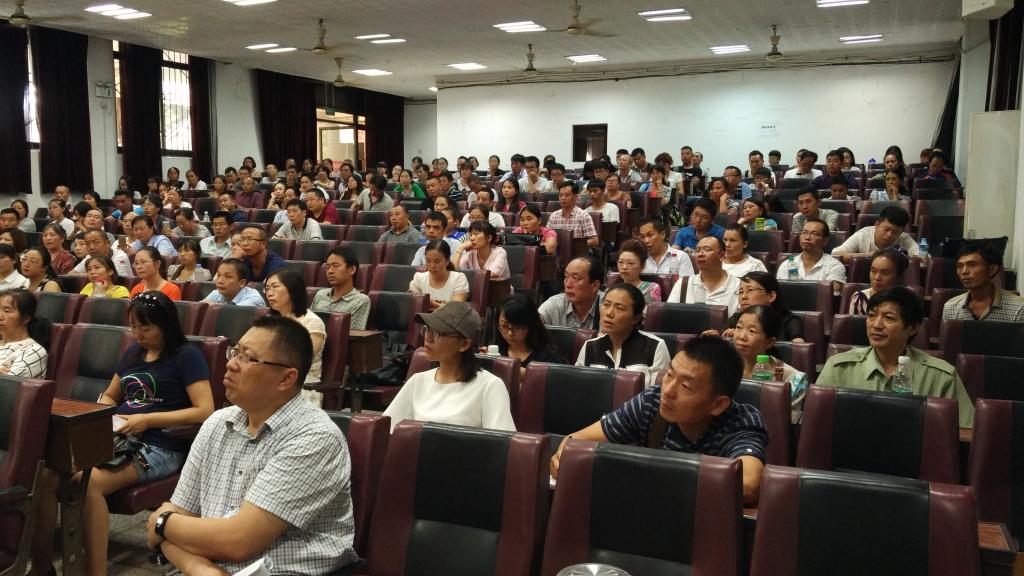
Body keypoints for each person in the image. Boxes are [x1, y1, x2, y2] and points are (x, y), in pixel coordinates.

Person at [144, 316, 358, 574]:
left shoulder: (314, 438)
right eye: (235, 352)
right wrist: (199, 567)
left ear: (286, 378)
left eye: (247, 357)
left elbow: (238, 541)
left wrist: (162, 523)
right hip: (211, 565)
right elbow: (179, 512)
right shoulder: (217, 423)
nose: (231, 364)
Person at [25, 290, 210, 576]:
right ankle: (41, 566)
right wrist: (102, 414)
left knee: (87, 482)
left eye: (145, 328)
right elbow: (111, 395)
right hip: (120, 435)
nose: (137, 334)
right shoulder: (133, 353)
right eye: (133, 327)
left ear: (166, 326)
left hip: (160, 444)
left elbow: (204, 410)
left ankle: (96, 572)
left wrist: (147, 420)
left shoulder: (187, 356)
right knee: (48, 474)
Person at [552, 334, 767, 503]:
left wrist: (645, 477)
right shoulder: (652, 402)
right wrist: (565, 458)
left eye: (685, 386)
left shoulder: (741, 421)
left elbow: (748, 485)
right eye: (670, 375)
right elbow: (575, 442)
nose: (668, 390)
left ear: (718, 404)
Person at [818, 287, 974, 428]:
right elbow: (817, 422)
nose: (876, 325)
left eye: (889, 318)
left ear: (913, 327)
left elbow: (965, 431)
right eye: (871, 315)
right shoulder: (839, 367)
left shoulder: (941, 376)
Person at [385, 301, 515, 432]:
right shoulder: (417, 381)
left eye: (438, 333)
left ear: (464, 344)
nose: (428, 338)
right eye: (427, 329)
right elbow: (386, 429)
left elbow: (502, 440)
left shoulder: (490, 386)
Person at [576, 282, 670, 386]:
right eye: (606, 304)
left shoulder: (655, 347)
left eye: (619, 308)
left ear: (636, 318)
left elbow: (657, 393)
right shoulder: (590, 346)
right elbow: (579, 387)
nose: (609, 313)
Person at [732, 305, 809, 407]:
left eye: (752, 331)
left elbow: (785, 416)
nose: (741, 336)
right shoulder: (719, 367)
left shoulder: (793, 379)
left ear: (769, 342)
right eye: (739, 327)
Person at [265, 269, 325, 397]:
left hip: (301, 384)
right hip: (269, 378)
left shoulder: (312, 322)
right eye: (267, 288)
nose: (269, 293)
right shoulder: (270, 320)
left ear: (293, 289)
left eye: (275, 287)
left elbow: (301, 360)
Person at [708, 272, 805, 342]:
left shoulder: (789, 321)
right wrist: (717, 337)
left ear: (771, 296)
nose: (743, 296)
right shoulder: (736, 319)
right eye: (740, 292)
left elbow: (798, 350)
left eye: (750, 290)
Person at [943, 240, 1024, 322]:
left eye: (972, 265)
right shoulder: (951, 307)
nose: (964, 271)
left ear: (992, 269)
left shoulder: (1019, 308)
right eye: (960, 266)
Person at [491, 294, 565, 379]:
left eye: (517, 328)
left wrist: (513, 371)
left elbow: (554, 381)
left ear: (531, 326)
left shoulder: (549, 356)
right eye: (504, 326)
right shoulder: (495, 348)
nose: (510, 333)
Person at [668, 236, 741, 314]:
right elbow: (669, 315)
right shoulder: (683, 284)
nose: (700, 254)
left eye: (707, 249)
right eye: (697, 250)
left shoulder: (738, 286)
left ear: (721, 255)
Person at [777, 218, 847, 294]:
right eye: (804, 232)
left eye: (814, 234)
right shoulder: (786, 265)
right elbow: (780, 294)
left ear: (825, 241)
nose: (807, 237)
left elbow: (828, 296)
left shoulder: (835, 267)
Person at [832, 205, 920, 264]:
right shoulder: (863, 235)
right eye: (886, 229)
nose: (889, 235)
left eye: (895, 232)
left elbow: (920, 258)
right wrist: (868, 255)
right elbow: (836, 254)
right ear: (877, 225)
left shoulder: (904, 239)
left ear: (901, 232)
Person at [311, 246, 371, 329]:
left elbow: (353, 333)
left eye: (335, 266)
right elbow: (308, 324)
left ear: (352, 270)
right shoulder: (320, 295)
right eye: (328, 267)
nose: (330, 271)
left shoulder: (360, 301)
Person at [539, 255, 604, 329]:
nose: (568, 284)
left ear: (595, 285)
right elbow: (533, 327)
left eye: (575, 278)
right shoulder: (555, 304)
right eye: (566, 276)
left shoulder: (608, 306)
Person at [0, 288, 49, 377]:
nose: (0, 316)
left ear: (26, 318)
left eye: (7, 311)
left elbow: (7, 383)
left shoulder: (33, 351)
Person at [409, 240, 470, 310]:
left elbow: (456, 308)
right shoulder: (418, 278)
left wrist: (433, 304)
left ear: (447, 261)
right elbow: (413, 301)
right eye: (428, 261)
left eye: (437, 262)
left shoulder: (459, 278)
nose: (432, 266)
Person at [849, 248, 908, 314]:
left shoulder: (907, 301)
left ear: (899, 276)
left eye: (885, 273)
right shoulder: (859, 299)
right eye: (873, 271)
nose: (876, 278)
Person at [547, 182, 599, 248]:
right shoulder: (553, 216)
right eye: (561, 195)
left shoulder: (584, 216)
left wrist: (572, 244)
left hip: (577, 252)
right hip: (557, 251)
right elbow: (546, 237)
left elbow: (594, 240)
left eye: (567, 195)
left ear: (576, 197)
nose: (563, 198)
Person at [615, 239, 661, 304]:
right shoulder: (612, 288)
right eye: (621, 262)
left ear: (642, 266)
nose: (624, 267)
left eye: (630, 263)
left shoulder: (651, 288)